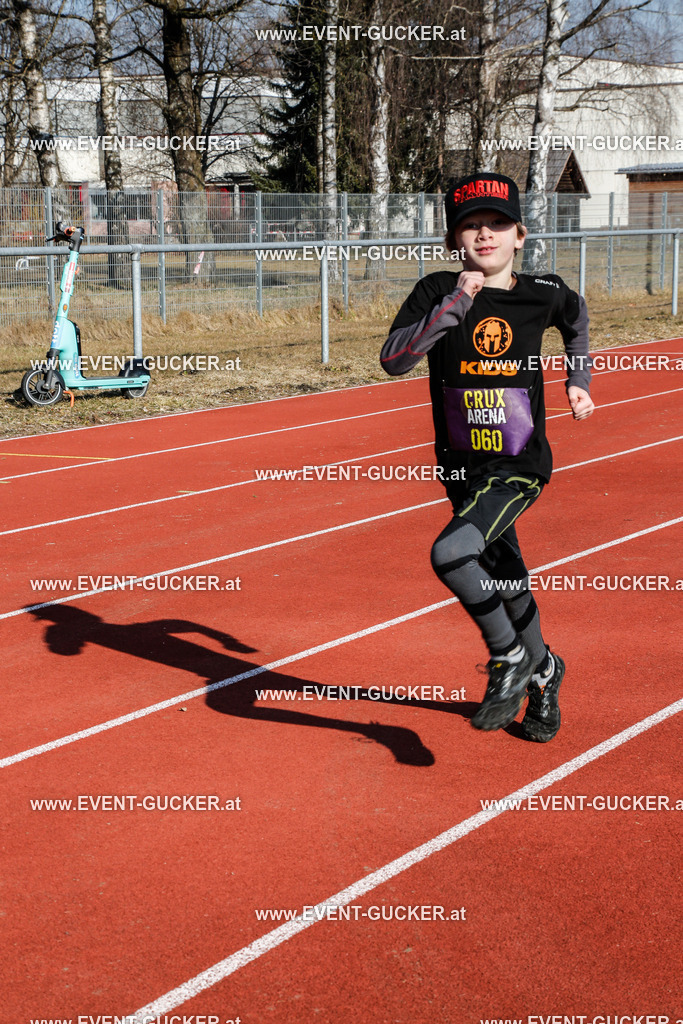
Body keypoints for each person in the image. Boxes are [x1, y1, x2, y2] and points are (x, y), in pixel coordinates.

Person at [380, 173, 594, 740]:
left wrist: (579, 378)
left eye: (497, 223)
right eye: (471, 225)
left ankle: (510, 659)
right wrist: (458, 301)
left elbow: (576, 319)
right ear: (455, 238)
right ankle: (546, 672)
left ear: (519, 234)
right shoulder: (434, 292)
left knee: (452, 553)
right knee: (506, 574)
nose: (485, 233)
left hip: (518, 465)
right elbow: (395, 359)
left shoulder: (542, 291)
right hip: (460, 465)